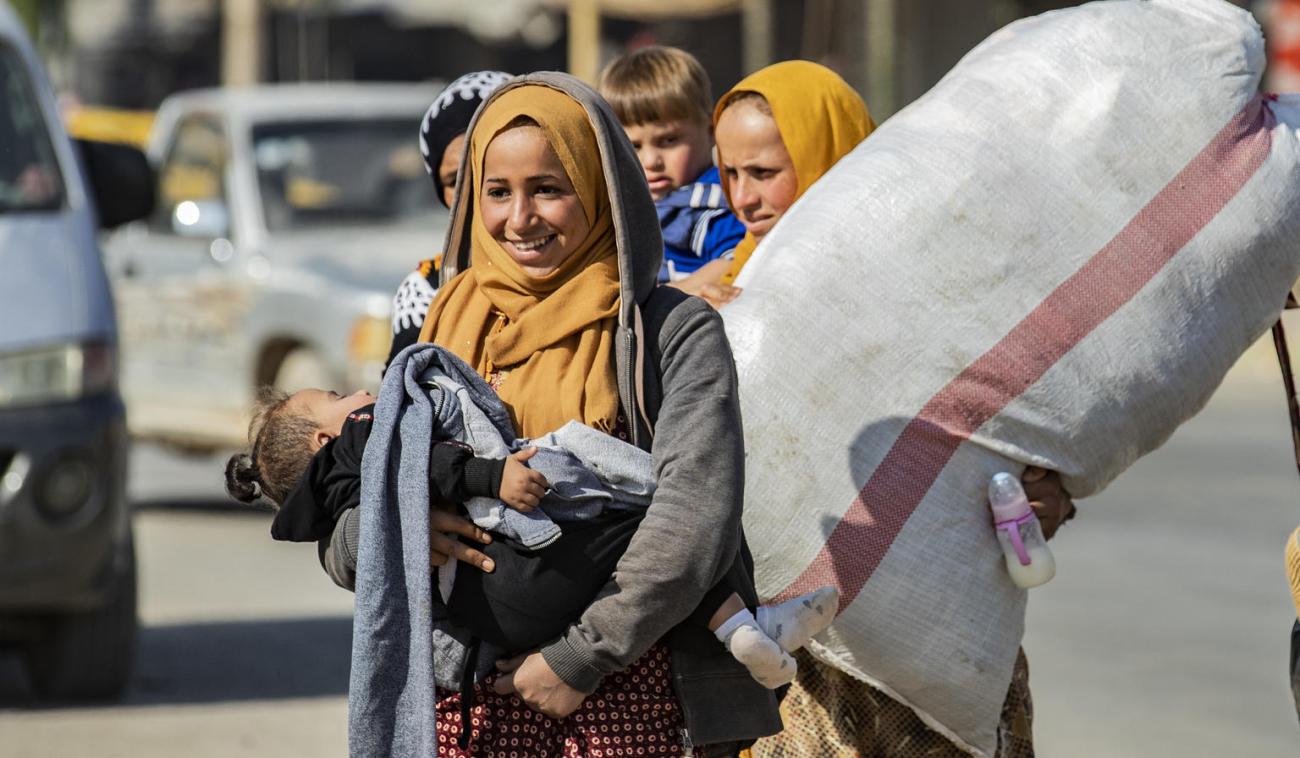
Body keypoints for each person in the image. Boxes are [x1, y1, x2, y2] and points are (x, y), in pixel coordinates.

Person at [320, 72, 785, 755]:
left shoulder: (666, 332)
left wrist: (576, 660)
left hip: (626, 698)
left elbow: (694, 522)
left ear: (599, 189)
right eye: (497, 192)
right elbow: (345, 526)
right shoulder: (439, 338)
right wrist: (406, 529)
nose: (519, 219)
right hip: (463, 713)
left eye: (549, 188)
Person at [710, 60, 1076, 758]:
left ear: (835, 158)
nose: (743, 199)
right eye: (729, 174)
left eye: (764, 172)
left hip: (940, 638)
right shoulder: (725, 295)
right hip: (807, 672)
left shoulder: (930, 289)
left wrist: (1044, 488)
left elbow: (1008, 417)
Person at [223, 380, 838, 690]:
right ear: (323, 442)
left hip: (490, 613)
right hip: (516, 571)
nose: (359, 392)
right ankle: (744, 625)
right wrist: (493, 475)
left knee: (651, 535)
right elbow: (430, 466)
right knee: (669, 517)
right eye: (336, 396)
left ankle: (745, 626)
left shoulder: (336, 488)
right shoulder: (367, 438)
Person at [598, 46, 747, 308]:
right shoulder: (628, 202)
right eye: (633, 145)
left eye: (668, 140)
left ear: (712, 131)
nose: (650, 161)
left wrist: (664, 299)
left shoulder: (706, 204)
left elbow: (738, 258)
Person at [388, 70, 513, 367]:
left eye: (485, 168)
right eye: (455, 179)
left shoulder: (610, 275)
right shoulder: (427, 291)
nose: (472, 192)